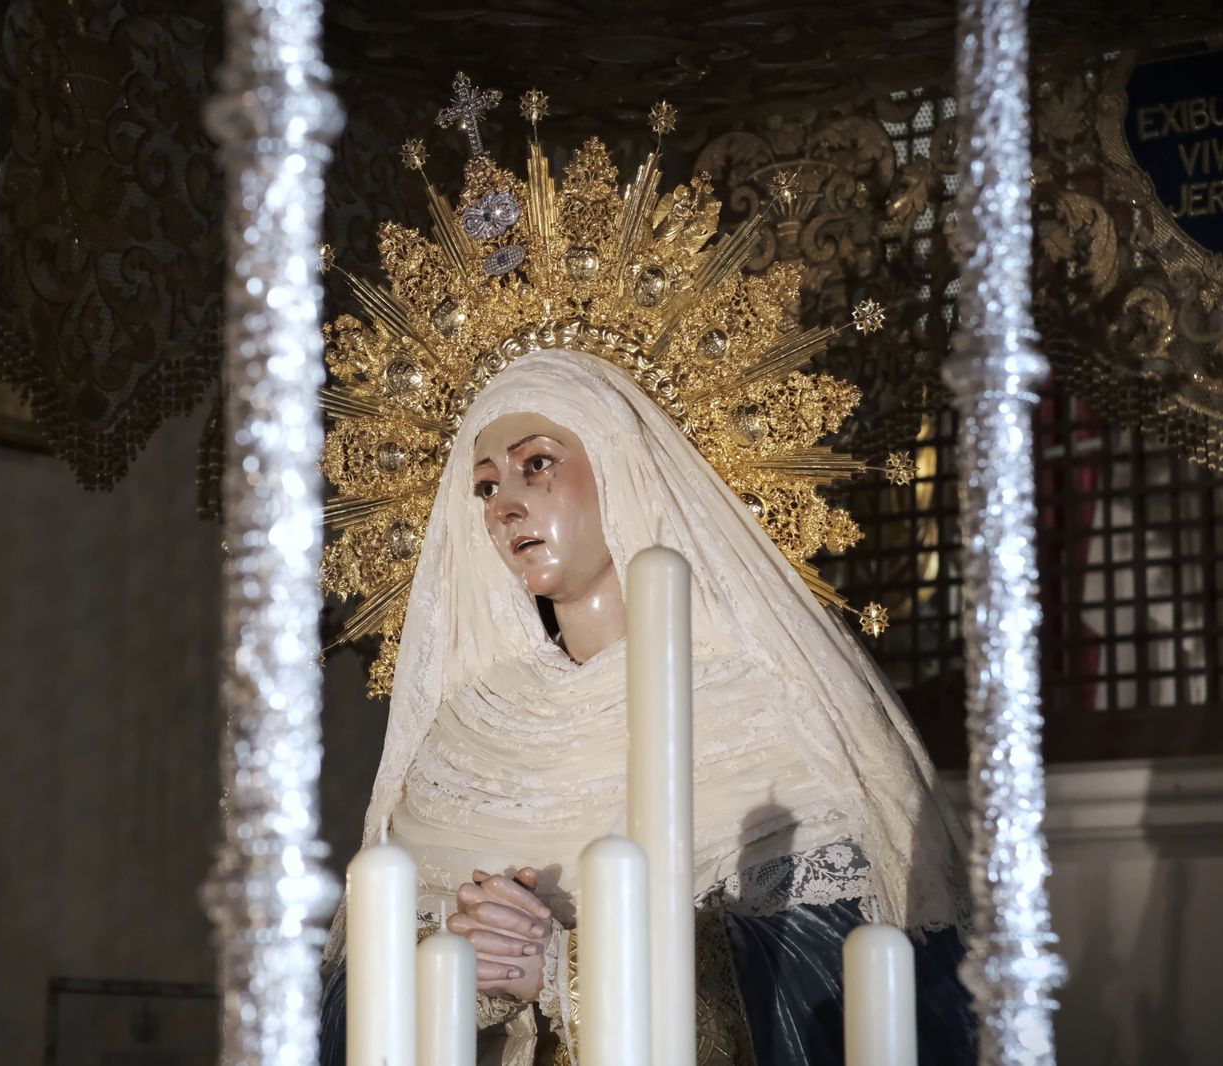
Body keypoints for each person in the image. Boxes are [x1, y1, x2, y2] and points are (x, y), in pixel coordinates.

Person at [320, 349, 975, 1066]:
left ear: (624, 465)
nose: (505, 505)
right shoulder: (458, 741)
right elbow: (355, 1000)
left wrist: (567, 973)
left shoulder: (765, 712)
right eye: (483, 487)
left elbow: (850, 973)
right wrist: (456, 963)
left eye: (536, 463)